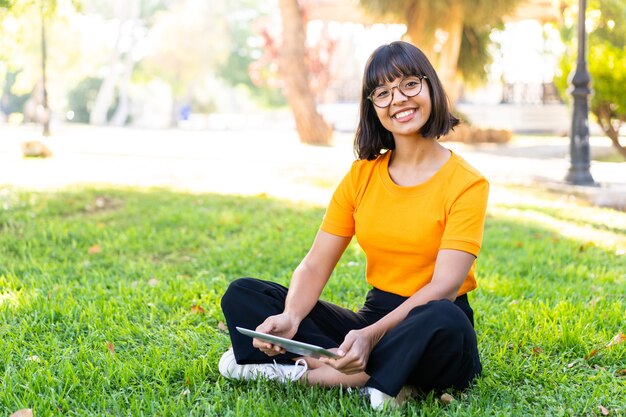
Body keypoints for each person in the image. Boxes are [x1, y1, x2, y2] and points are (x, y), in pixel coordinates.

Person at [219, 41, 489, 410]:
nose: (398, 100)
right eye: (383, 92)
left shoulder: (467, 183)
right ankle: (385, 380)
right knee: (245, 294)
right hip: (374, 314)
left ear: (431, 88)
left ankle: (315, 373)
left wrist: (370, 336)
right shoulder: (361, 176)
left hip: (431, 319)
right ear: (372, 106)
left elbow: (444, 287)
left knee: (443, 320)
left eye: (410, 84)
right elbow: (315, 263)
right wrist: (291, 316)